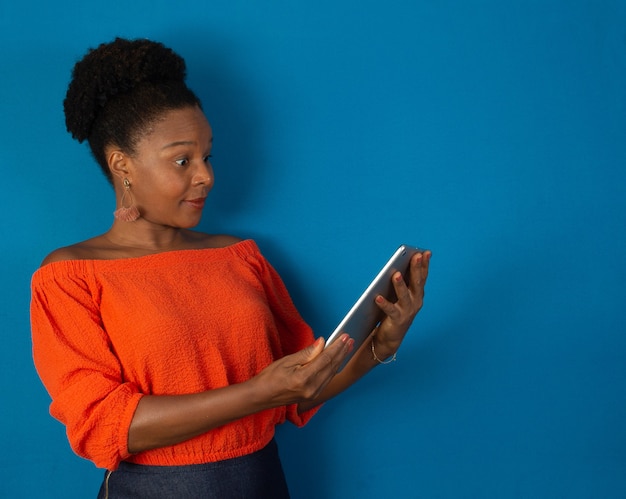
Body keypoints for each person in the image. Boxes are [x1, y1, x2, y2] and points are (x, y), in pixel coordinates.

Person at [30, 37, 431, 499]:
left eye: (207, 156)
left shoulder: (239, 257)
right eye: (183, 160)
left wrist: (382, 342)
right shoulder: (70, 276)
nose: (206, 176)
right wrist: (258, 393)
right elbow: (105, 424)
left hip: (261, 482)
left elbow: (300, 387)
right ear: (122, 164)